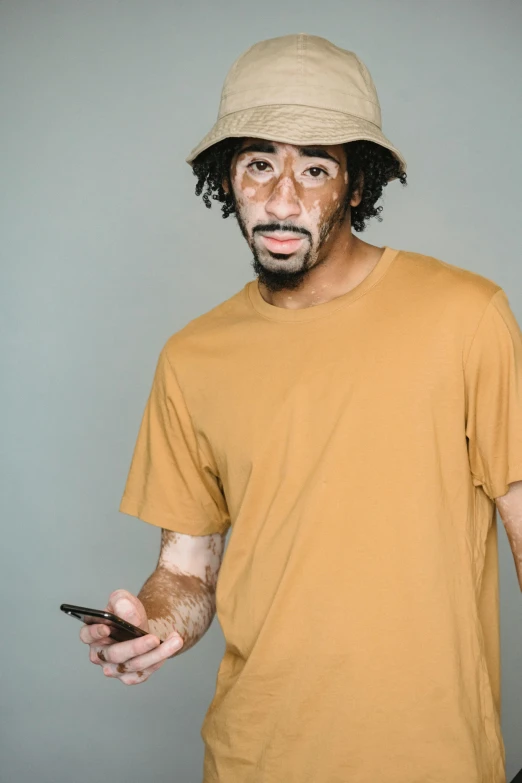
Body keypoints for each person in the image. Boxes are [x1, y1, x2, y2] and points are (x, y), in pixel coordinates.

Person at [79, 34, 522, 783]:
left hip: (433, 759)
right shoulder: (192, 357)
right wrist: (152, 624)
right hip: (255, 758)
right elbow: (186, 570)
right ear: (231, 177)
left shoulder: (467, 315)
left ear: (356, 184)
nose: (282, 198)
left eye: (315, 167)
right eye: (260, 164)